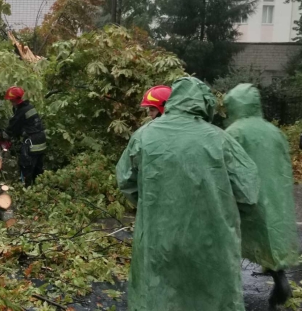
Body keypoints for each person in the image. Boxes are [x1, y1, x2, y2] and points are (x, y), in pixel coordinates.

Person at [116, 77, 259, 311]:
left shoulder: (144, 136)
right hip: (213, 240)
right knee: (212, 297)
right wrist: (228, 214)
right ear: (205, 103)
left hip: (159, 236)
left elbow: (126, 181)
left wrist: (153, 203)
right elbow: (248, 192)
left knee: (158, 294)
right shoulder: (221, 139)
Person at [224, 84, 301, 310]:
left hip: (244, 195)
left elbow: (226, 165)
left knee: (231, 239)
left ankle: (228, 289)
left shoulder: (234, 132)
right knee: (268, 237)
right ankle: (279, 279)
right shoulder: (273, 131)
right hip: (272, 193)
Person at [0, 86, 46, 187]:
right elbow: (26, 125)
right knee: (38, 169)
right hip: (41, 140)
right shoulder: (30, 107)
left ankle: (26, 190)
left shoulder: (21, 112)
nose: (10, 102)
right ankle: (39, 189)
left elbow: (12, 129)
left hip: (32, 142)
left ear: (14, 100)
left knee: (26, 166)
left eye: (11, 100)